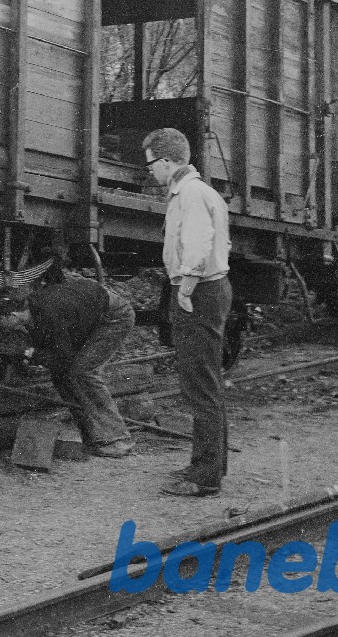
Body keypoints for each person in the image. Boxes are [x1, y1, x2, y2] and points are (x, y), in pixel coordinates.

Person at [142, 127, 232, 498]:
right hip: (208, 288)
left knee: (200, 384)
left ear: (167, 161)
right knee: (201, 381)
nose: (150, 171)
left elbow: (199, 242)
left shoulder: (192, 195)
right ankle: (205, 464)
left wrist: (187, 288)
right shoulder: (195, 192)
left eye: (151, 164)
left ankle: (206, 475)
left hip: (200, 291)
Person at [13, 271, 136, 458]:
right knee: (61, 376)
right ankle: (95, 438)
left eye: (0, 319)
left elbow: (63, 357)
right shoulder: (34, 310)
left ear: (15, 314)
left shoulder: (48, 313)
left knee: (83, 372)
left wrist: (31, 354)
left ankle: (117, 439)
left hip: (114, 316)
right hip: (90, 314)